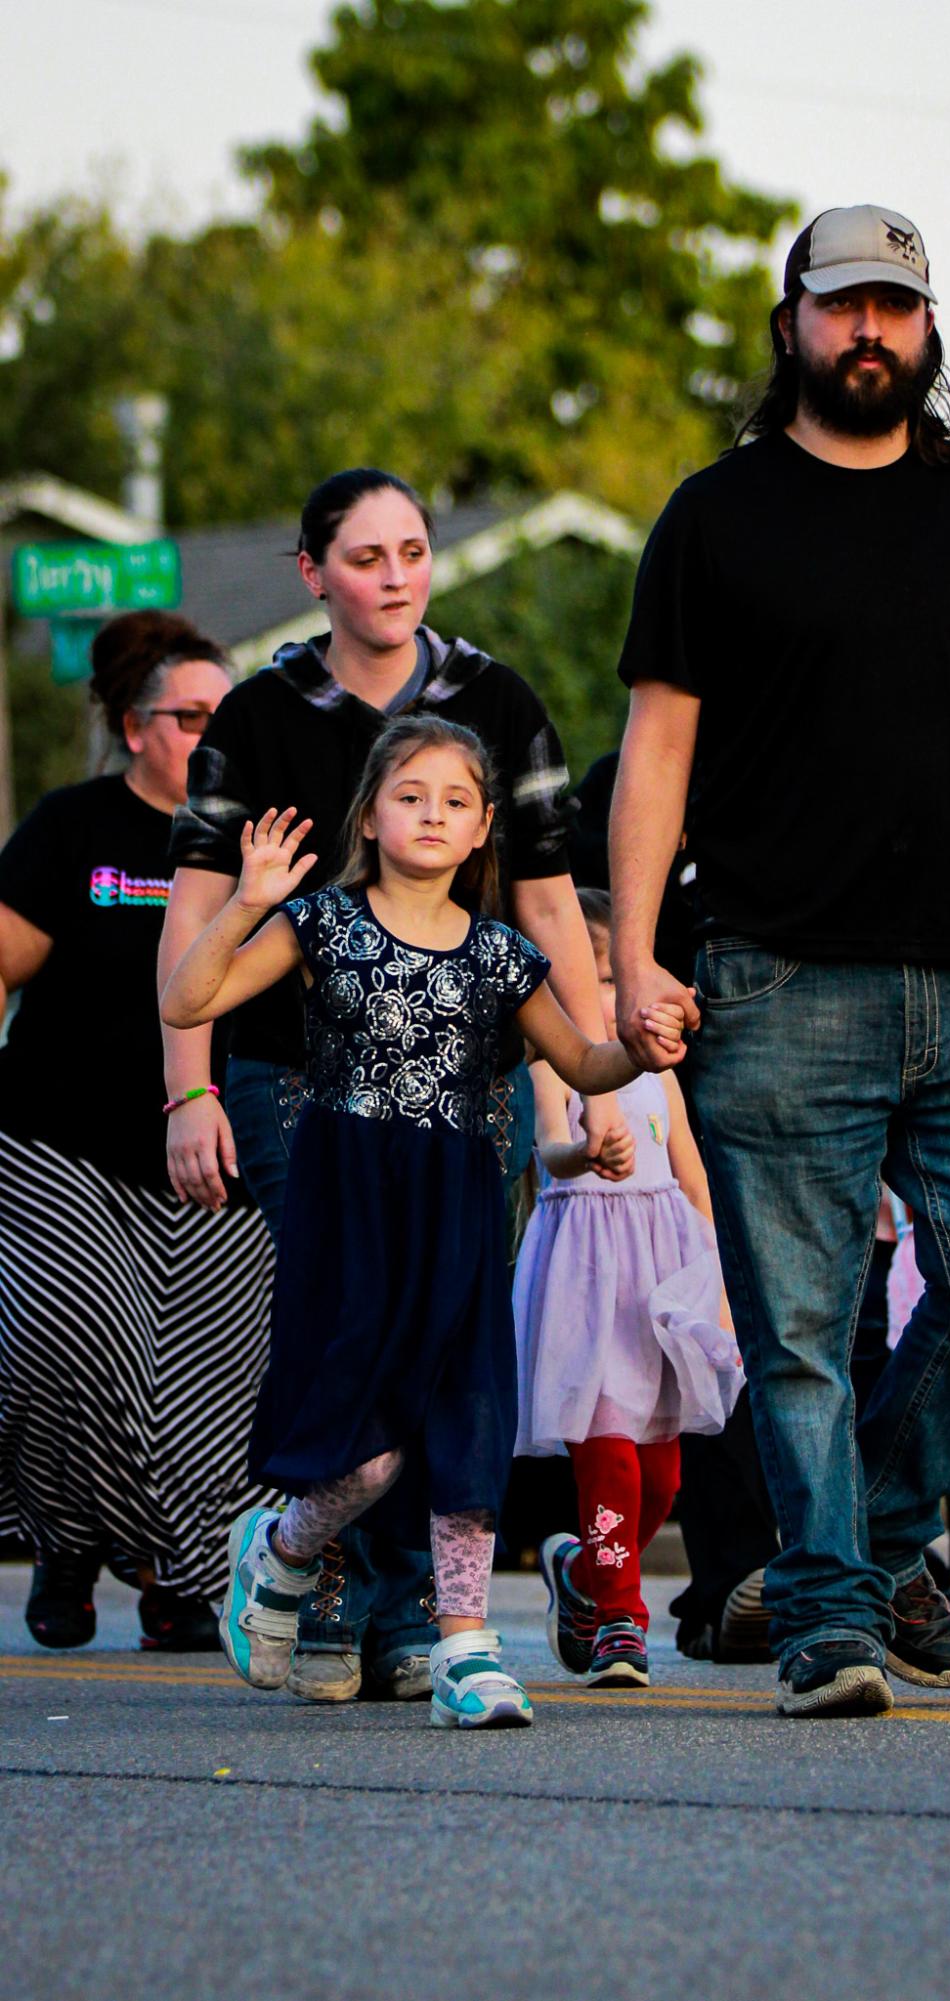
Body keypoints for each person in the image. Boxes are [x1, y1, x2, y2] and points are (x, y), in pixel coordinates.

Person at [610, 204, 950, 1718]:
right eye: (841, 306)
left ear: (925, 330)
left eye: (894, 312)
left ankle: (888, 1530)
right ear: (788, 322)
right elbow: (657, 746)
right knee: (794, 1330)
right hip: (775, 981)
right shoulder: (712, 519)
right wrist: (635, 952)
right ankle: (833, 1619)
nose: (868, 335)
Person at [159, 467, 632, 1703]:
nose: (394, 577)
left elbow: (547, 907)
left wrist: (603, 1075)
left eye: (412, 551)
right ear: (311, 572)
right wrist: (187, 1091)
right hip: (301, 1086)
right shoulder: (258, 719)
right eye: (364, 557)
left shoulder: (499, 703)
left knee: (452, 1365)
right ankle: (332, 1591)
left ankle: (416, 1621)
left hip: (468, 1127)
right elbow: (197, 924)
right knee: (359, 1353)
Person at [0, 611, 275, 1649]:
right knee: (72, 1347)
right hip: (66, 1143)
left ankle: (176, 1580)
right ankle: (69, 1545)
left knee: (210, 1381)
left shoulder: (265, 841)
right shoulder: (76, 828)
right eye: (186, 716)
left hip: (222, 1160)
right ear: (133, 728)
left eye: (224, 716)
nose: (209, 736)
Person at [513, 888, 742, 1689]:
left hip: (661, 1279)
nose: (602, 998)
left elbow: (693, 1174)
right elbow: (549, 1152)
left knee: (663, 1474)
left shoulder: (660, 1074)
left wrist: (719, 1284)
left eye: (613, 979)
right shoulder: (551, 1062)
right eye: (586, 981)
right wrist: (584, 1147)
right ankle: (620, 1621)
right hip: (586, 1274)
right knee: (607, 1455)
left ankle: (582, 1572)